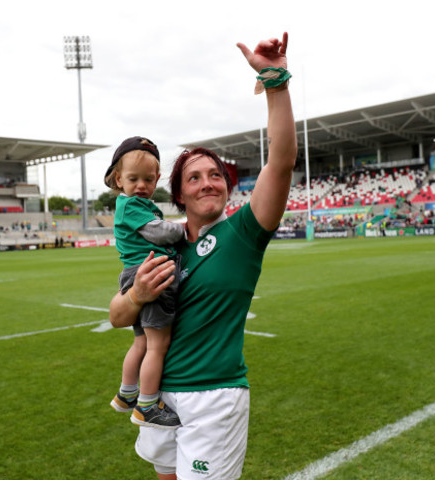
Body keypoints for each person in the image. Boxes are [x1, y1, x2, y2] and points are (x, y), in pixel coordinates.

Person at [108, 32, 297, 479]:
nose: (208, 182)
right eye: (195, 177)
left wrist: (276, 81)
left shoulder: (244, 232)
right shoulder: (161, 246)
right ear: (179, 194)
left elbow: (282, 161)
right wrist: (135, 296)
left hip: (214, 398)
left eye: (216, 175)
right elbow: (118, 316)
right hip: (161, 401)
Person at [105, 136, 185, 429]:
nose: (141, 185)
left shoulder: (131, 203)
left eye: (148, 179)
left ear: (157, 179)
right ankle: (147, 405)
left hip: (136, 273)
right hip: (149, 273)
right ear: (118, 179)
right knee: (157, 345)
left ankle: (127, 394)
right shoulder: (131, 205)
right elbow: (159, 233)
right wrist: (184, 229)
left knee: (141, 341)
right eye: (133, 178)